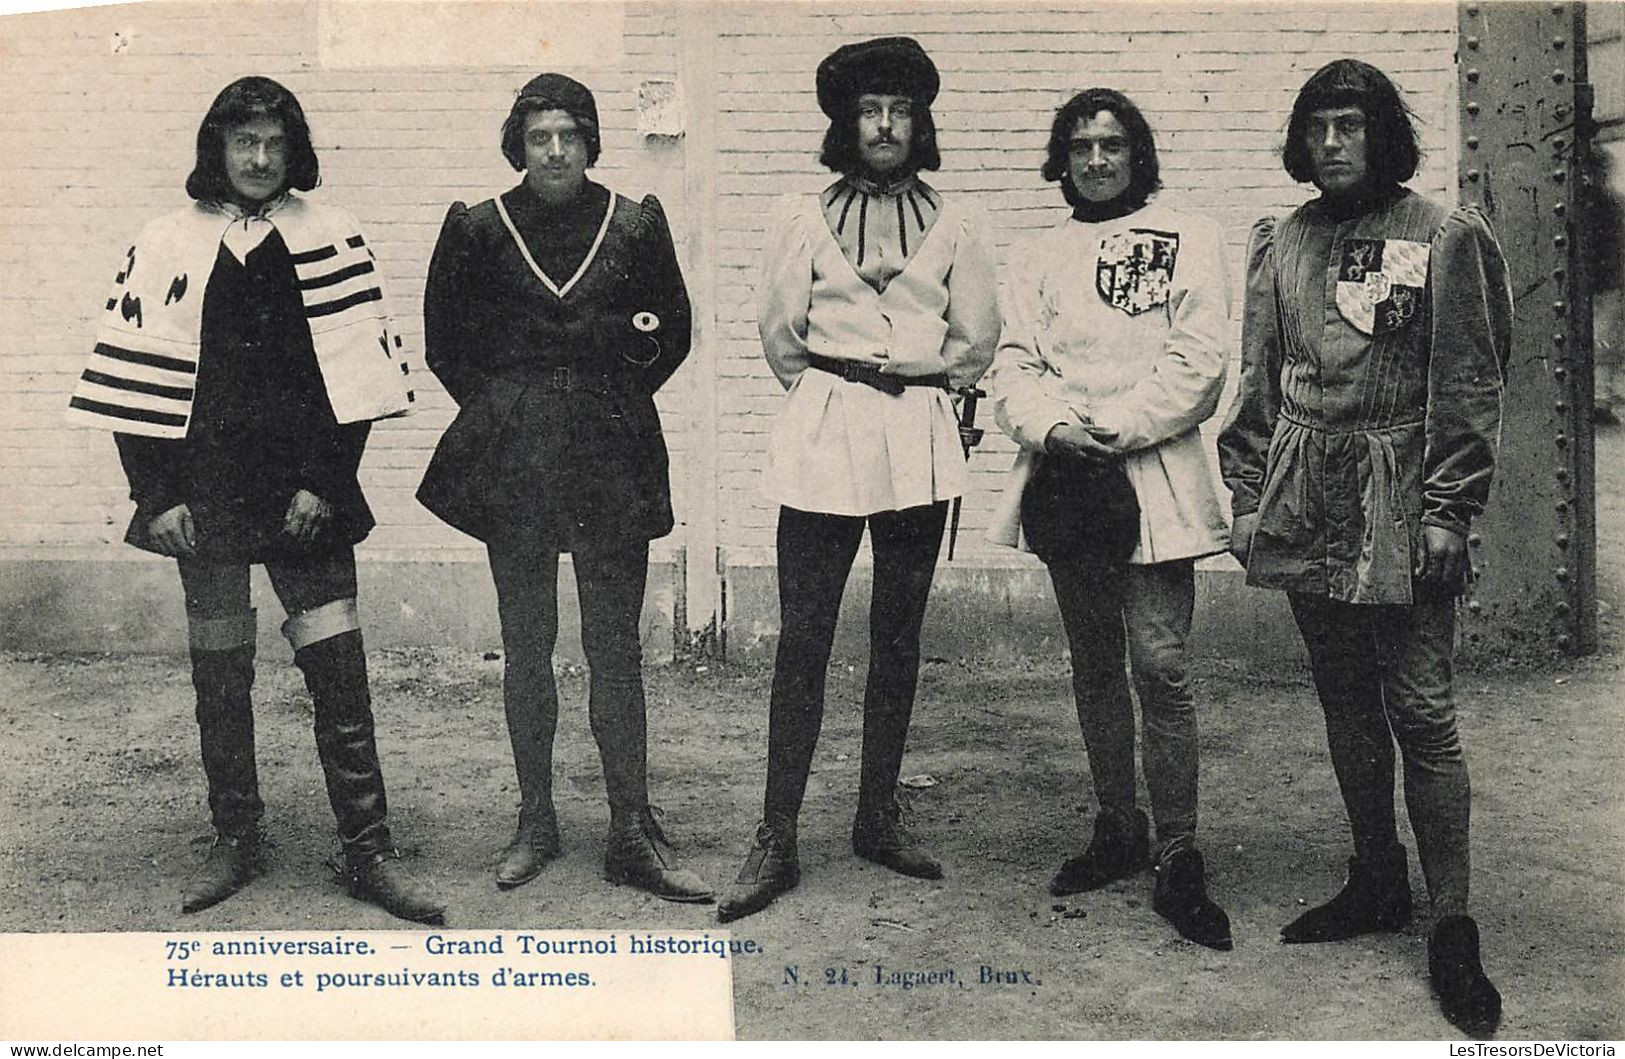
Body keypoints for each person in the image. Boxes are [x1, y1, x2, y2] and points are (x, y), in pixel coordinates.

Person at [65, 76, 442, 923]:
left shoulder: (332, 236)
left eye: (273, 143)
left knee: (338, 670)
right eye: (244, 143)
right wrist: (155, 496)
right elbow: (136, 383)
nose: (260, 159)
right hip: (205, 498)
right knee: (220, 674)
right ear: (218, 149)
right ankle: (237, 837)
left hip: (306, 496)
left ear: (293, 147)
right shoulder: (165, 243)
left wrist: (326, 482)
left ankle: (369, 849)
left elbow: (358, 377)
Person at [1217, 59, 1512, 1033]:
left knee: (1419, 710)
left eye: (1350, 126)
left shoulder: (1442, 234)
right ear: (1300, 142)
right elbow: (1257, 380)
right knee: (1342, 697)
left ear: (1381, 136)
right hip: (1305, 493)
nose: (1332, 143)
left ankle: (1451, 925)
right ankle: (1374, 880)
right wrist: (1246, 491)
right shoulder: (1283, 240)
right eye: (1318, 128)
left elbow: (1468, 383)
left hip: (1403, 500)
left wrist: (1445, 510)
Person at [718, 37, 1000, 923]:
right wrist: (838, 397)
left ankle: (877, 814)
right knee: (805, 634)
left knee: (898, 633)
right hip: (825, 429)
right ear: (845, 122)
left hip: (917, 435)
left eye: (901, 110)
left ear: (921, 123)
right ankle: (777, 833)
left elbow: (976, 338)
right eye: (869, 110)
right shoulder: (800, 217)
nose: (884, 126)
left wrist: (915, 391)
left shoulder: (956, 223)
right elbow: (780, 334)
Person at [416, 73, 709, 903]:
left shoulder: (634, 223)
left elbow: (672, 329)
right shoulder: (478, 227)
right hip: (517, 460)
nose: (554, 151)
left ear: (589, 143)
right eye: (539, 136)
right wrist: (510, 407)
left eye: (569, 136)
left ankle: (629, 829)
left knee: (614, 648)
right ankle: (535, 819)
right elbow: (447, 344)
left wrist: (607, 400)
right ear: (519, 144)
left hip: (611, 453)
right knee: (527, 641)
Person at [986, 89, 1233, 951]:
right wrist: (1054, 426)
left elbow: (1199, 361)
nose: (1096, 161)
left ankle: (1178, 846)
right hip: (1067, 476)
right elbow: (1012, 361)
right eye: (1081, 146)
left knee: (1158, 664)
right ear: (1062, 158)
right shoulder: (1035, 254)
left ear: (1138, 155)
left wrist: (1117, 427)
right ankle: (1116, 825)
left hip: (1152, 472)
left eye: (1113, 146)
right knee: (1093, 658)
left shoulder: (1188, 238)